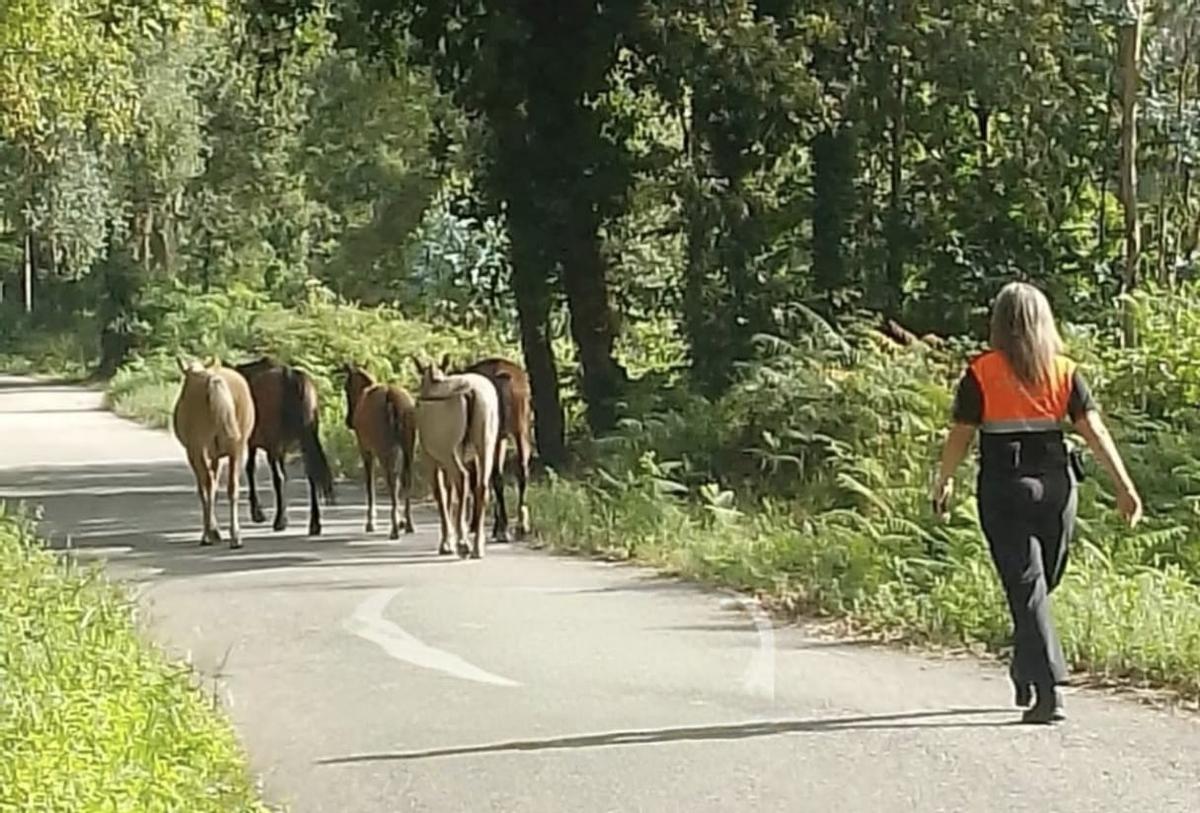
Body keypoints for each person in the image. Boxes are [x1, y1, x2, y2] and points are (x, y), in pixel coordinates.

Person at [931, 281, 1143, 724]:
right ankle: (1048, 690)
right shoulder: (1056, 371)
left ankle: (1026, 662)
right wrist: (1122, 486)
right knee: (1032, 586)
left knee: (1035, 585)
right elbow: (1095, 432)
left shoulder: (990, 372)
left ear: (999, 324)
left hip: (1008, 487)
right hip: (1055, 488)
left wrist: (943, 479)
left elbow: (959, 436)